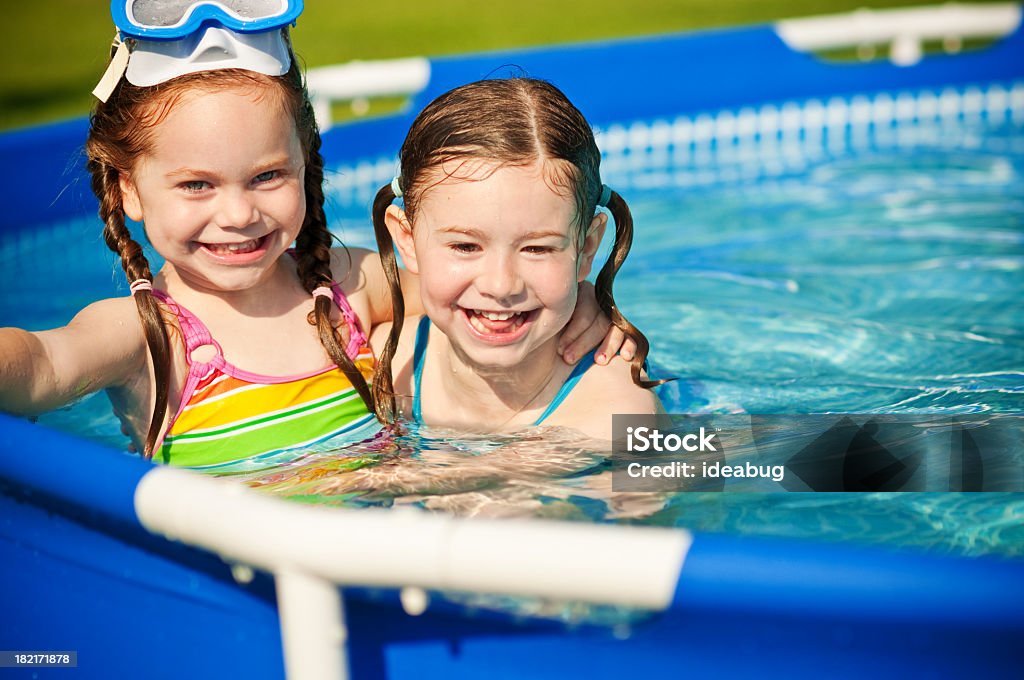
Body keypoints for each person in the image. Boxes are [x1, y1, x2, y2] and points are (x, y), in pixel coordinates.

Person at [0, 6, 620, 470]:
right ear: (128, 188)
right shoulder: (145, 334)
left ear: (306, 164)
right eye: (196, 185)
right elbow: (41, 364)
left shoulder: (349, 286)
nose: (239, 213)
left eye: (268, 176)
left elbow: (482, 291)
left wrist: (584, 304)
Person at [370, 77, 664, 441]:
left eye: (537, 249)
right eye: (465, 246)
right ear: (407, 240)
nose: (501, 284)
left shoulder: (617, 415)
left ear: (586, 249)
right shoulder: (379, 365)